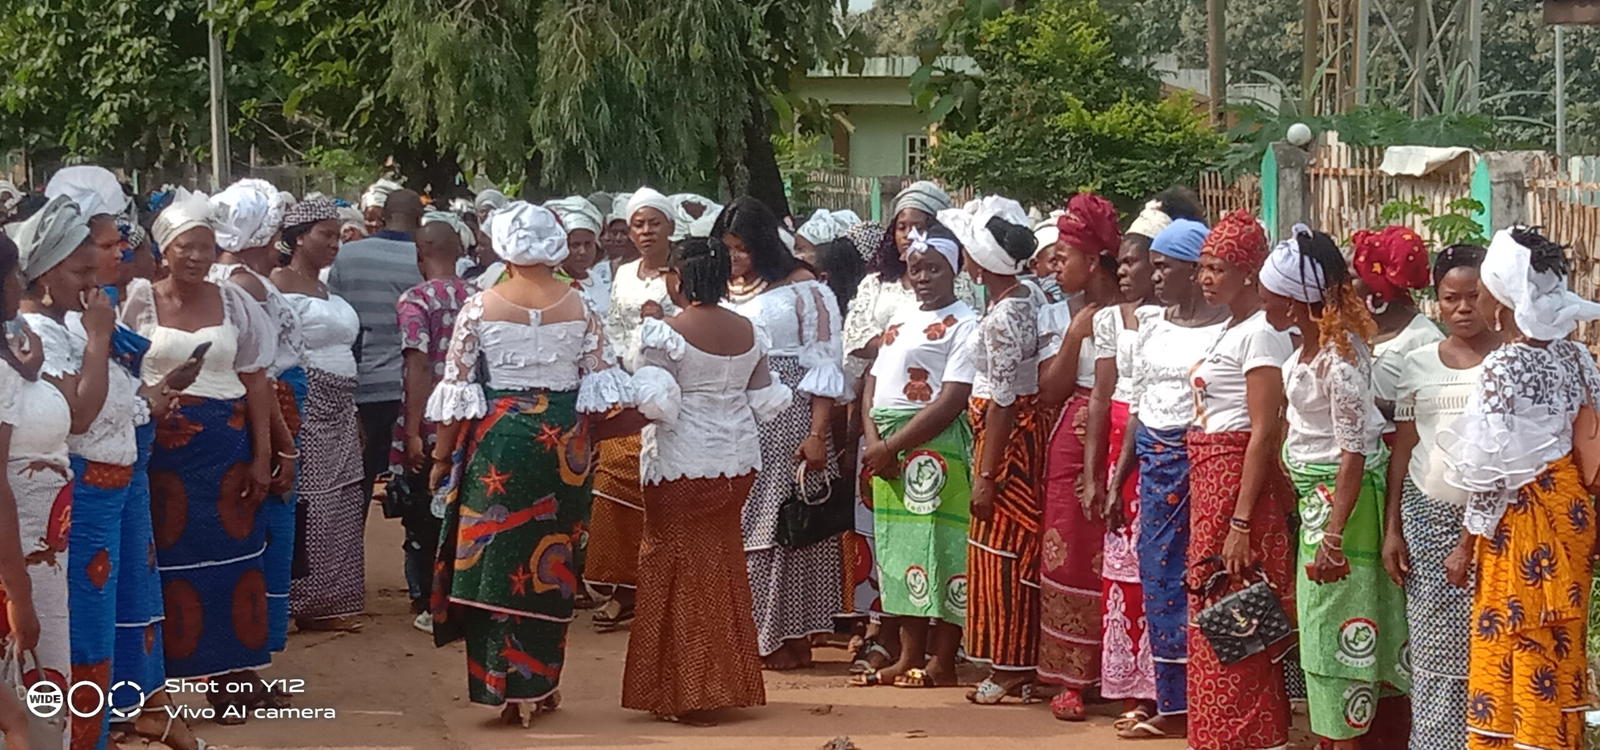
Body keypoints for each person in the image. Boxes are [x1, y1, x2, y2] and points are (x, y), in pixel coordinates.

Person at [426, 202, 630, 727]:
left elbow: (458, 390)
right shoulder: (582, 306)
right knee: (552, 561)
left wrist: (441, 456)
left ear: (501, 246)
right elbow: (602, 387)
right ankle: (539, 683)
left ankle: (500, 685)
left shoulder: (479, 306)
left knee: (495, 561)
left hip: (499, 441)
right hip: (564, 448)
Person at [123, 189, 281, 720]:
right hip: (162, 455)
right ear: (164, 249)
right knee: (164, 565)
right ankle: (158, 685)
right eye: (185, 247)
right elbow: (125, 376)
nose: (196, 257)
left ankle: (233, 680)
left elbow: (257, 381)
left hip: (227, 448)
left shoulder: (234, 302)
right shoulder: (139, 300)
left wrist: (264, 455)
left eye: (206, 247)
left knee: (238, 561)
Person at [1441, 227, 1600, 750]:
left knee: (1517, 639)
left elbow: (1492, 473)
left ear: (1503, 301)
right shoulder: (1579, 359)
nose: (1479, 300)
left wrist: (1467, 542)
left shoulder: (1502, 367)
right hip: (1573, 513)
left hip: (1522, 522)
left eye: (1485, 288)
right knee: (1558, 639)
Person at [623, 236, 792, 724]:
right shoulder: (751, 330)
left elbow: (656, 405)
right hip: (737, 462)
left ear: (677, 278)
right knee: (719, 565)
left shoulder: (664, 333)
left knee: (673, 566)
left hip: (680, 463)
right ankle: (721, 681)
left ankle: (685, 689)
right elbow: (765, 401)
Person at [1259, 226, 1410, 747]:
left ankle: (1341, 738)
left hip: (1342, 510)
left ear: (1297, 302)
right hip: (1319, 503)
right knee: (1333, 628)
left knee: (1336, 632)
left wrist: (1333, 536)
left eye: (1270, 294)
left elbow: (1353, 453)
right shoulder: (1299, 357)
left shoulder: (1337, 363)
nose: (1263, 303)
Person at [1107, 216, 1229, 740]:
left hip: (1202, 459)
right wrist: (1118, 479)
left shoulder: (1229, 328)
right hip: (1154, 465)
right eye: (1151, 267)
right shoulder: (1152, 325)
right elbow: (1138, 404)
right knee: (1158, 578)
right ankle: (1172, 701)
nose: (1154, 277)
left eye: (1164, 267)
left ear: (1192, 269)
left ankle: (1213, 699)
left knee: (1204, 578)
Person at [718, 197, 847, 671]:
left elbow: (825, 364)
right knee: (747, 522)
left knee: (789, 525)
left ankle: (790, 638)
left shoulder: (805, 291)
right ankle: (758, 636)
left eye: (743, 249)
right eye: (728, 248)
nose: (735, 258)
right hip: (739, 417)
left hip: (792, 418)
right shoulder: (724, 289)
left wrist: (817, 433)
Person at [1185, 210, 1295, 749]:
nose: (1206, 278)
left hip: (1234, 482)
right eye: (1203, 267)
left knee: (1237, 612)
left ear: (1250, 273)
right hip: (1210, 480)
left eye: (1218, 268)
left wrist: (1241, 520)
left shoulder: (1262, 337)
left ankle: (1251, 736)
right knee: (1212, 610)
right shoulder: (1230, 328)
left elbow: (1263, 432)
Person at [851, 223, 976, 690]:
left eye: (934, 269)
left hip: (932, 448)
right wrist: (871, 443)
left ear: (954, 271)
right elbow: (872, 384)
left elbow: (952, 398)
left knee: (941, 552)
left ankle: (942, 660)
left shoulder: (966, 323)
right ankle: (907, 656)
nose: (923, 277)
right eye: (916, 268)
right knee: (900, 553)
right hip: (886, 450)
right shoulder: (900, 318)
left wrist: (891, 445)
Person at [1381, 243, 1493, 750]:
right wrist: (1392, 530)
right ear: (1436, 302)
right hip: (1426, 521)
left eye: (1474, 297)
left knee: (1488, 650)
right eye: (1452, 298)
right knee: (1432, 657)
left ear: (1492, 298)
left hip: (1493, 528)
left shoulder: (1508, 363)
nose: (1464, 308)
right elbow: (1404, 451)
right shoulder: (1418, 365)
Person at [937, 196, 1043, 705]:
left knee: (1003, 553)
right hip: (1010, 438)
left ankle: (1010, 666)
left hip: (1006, 447)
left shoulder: (1004, 318)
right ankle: (1014, 661)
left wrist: (986, 473)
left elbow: (1001, 401)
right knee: (1008, 551)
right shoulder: (1025, 300)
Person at [1033, 193, 1124, 720]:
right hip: (1072, 431)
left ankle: (1113, 672)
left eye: (1063, 258)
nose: (1053, 266)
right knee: (1066, 548)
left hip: (1117, 428)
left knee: (1113, 553)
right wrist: (1073, 332)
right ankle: (1067, 676)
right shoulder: (1065, 313)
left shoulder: (1134, 313)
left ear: (1093, 262)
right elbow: (1050, 390)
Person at [209, 179, 303, 658]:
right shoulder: (246, 284)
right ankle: (255, 647)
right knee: (272, 525)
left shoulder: (229, 279)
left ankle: (249, 653)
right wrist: (280, 447)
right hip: (269, 408)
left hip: (263, 405)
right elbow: (258, 372)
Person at [587, 188, 681, 631]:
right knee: (616, 485)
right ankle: (622, 588)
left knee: (663, 489)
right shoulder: (622, 274)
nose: (645, 232)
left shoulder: (682, 274)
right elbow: (612, 327)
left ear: (671, 228)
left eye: (653, 223)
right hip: (627, 388)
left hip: (673, 391)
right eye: (637, 224)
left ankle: (664, 590)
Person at [272, 199, 367, 634]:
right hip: (305, 401)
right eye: (324, 235)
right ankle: (293, 599)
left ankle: (329, 599)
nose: (334, 244)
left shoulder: (329, 289)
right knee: (308, 499)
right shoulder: (276, 284)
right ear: (296, 237)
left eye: (337, 235)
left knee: (343, 497)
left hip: (342, 404)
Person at [0, 222, 68, 750]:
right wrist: (18, 591)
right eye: (14, 276)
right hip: (18, 554)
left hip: (37, 547)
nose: (20, 287)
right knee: (28, 700)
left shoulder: (12, 355)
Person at [390, 220, 475, 634]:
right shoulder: (482, 299)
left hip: (430, 420)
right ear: (459, 252)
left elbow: (417, 362)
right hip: (474, 420)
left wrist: (410, 429)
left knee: (425, 513)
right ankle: (465, 593)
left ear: (418, 255)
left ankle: (430, 599)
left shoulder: (414, 301)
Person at [328, 188, 425, 504]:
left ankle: (350, 551)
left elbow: (338, 322)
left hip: (363, 386)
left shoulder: (348, 255)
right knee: (419, 487)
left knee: (358, 485)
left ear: (381, 216)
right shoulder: (427, 258)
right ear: (420, 220)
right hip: (415, 391)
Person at [1351, 225, 1442, 429]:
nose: (1344, 286)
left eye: (1352, 278)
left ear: (1378, 288)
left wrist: (1367, 402)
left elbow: (1431, 412)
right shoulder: (1352, 331)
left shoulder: (1425, 340)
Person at [545, 196, 612, 318]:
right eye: (575, 245)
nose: (582, 251)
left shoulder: (595, 278)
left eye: (588, 244)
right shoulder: (554, 283)